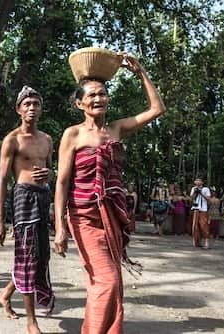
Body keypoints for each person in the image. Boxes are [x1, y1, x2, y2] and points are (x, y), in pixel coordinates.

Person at [54, 53, 165, 334]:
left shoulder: (116, 129)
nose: (98, 99)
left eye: (102, 94)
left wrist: (140, 71)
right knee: (108, 280)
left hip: (112, 217)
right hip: (83, 217)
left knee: (102, 282)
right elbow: (62, 183)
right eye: (91, 95)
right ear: (79, 103)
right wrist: (59, 228)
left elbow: (156, 109)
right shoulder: (73, 135)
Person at [0, 86, 55, 334]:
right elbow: (2, 179)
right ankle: (32, 321)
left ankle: (6, 293)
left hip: (43, 198)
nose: (31, 108)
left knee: (41, 256)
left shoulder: (47, 139)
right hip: (23, 198)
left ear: (40, 108)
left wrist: (50, 174)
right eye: (27, 104)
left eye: (36, 103)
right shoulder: (13, 139)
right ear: (19, 109)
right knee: (28, 257)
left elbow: (51, 172)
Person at [189, 176, 211, 249]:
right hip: (195, 208)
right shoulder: (193, 188)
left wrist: (201, 193)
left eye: (199, 180)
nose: (197, 182)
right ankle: (197, 242)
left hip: (203, 209)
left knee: (204, 226)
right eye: (196, 180)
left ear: (202, 182)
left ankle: (206, 243)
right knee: (195, 226)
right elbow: (191, 199)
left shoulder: (206, 189)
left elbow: (208, 199)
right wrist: (195, 192)